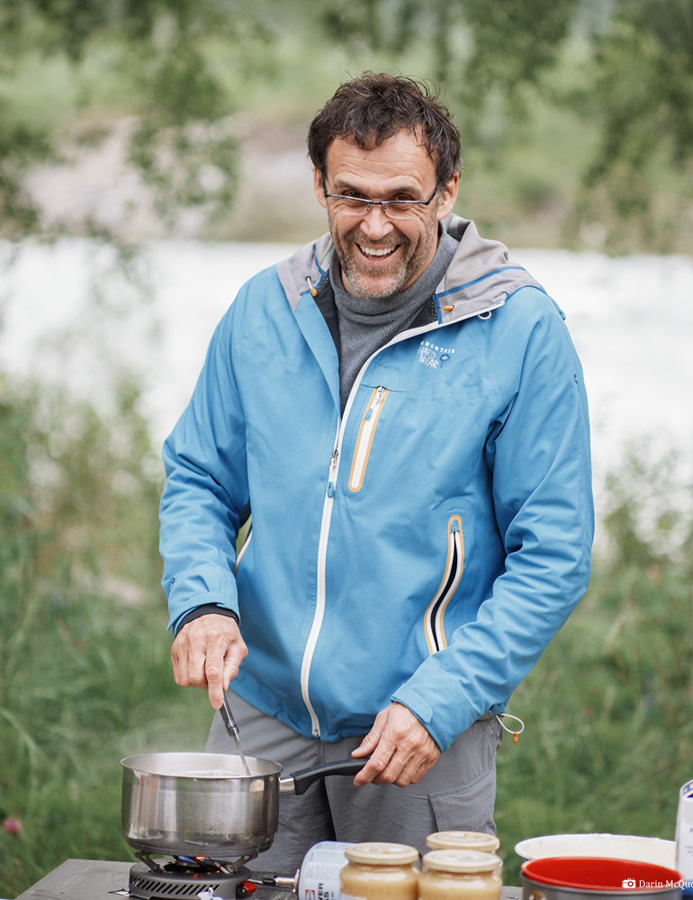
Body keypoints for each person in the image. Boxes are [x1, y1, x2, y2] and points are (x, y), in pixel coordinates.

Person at [159, 72, 593, 870]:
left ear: (447, 191)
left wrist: (442, 701)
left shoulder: (520, 330)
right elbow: (199, 479)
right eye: (352, 196)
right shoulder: (265, 307)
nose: (376, 225)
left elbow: (555, 557)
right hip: (262, 718)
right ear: (320, 185)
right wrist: (203, 602)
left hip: (420, 729)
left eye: (403, 198)